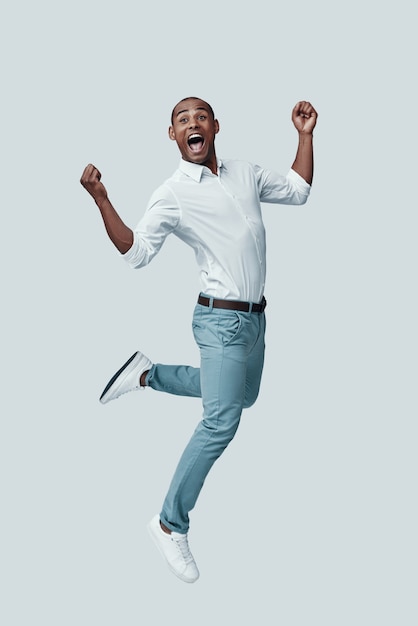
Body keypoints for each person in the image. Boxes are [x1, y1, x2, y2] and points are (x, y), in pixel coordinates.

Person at [80, 96, 317, 583]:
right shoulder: (172, 193)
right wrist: (102, 199)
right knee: (221, 420)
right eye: (182, 120)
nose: (192, 124)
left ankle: (147, 374)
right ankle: (169, 524)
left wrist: (305, 136)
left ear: (215, 127)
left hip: (256, 321)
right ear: (172, 136)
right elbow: (137, 253)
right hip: (219, 323)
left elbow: (297, 190)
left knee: (242, 396)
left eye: (200, 117)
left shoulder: (245, 172)